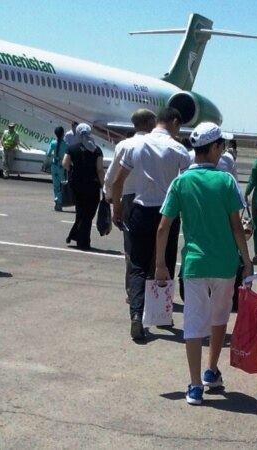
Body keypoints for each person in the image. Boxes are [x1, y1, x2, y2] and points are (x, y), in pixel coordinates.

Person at [155, 122, 252, 405]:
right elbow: (237, 226)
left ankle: (195, 385)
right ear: (213, 148)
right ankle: (212, 370)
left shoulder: (181, 182)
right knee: (220, 318)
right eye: (220, 147)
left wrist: (161, 264)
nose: (221, 151)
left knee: (193, 324)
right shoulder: (226, 181)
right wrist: (247, 262)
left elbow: (163, 227)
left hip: (194, 264)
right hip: (224, 264)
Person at [111, 107, 190, 340]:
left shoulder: (136, 145)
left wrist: (117, 207)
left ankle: (136, 314)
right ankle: (161, 315)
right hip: (167, 213)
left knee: (137, 264)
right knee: (163, 264)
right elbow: (185, 185)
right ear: (174, 122)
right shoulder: (178, 149)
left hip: (140, 210)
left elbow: (118, 181)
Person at [104, 109, 157, 301]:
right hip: (153, 200)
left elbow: (111, 177)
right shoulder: (156, 145)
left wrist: (111, 201)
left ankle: (133, 292)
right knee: (154, 247)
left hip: (128, 199)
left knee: (132, 248)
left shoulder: (124, 145)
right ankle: (152, 291)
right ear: (150, 123)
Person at [62, 123, 104, 250]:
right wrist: (104, 186)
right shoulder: (96, 150)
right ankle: (83, 241)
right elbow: (100, 170)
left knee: (81, 211)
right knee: (88, 213)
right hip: (92, 185)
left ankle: (76, 235)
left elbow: (65, 163)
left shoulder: (72, 148)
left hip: (77, 184)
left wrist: (72, 169)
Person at [46, 126, 67, 211]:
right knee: (62, 184)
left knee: (55, 184)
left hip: (54, 164)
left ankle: (56, 199)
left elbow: (48, 153)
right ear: (63, 134)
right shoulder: (66, 145)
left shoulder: (53, 143)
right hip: (61, 166)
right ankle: (59, 200)